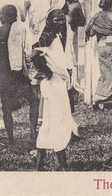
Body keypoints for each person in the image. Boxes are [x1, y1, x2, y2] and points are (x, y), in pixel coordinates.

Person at [0, 5, 39, 145]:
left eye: (1, 14)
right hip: (20, 70)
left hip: (4, 70)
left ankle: (11, 138)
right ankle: (32, 132)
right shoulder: (22, 30)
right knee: (33, 100)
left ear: (6, 16)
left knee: (5, 104)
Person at [29, 9, 75, 171]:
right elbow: (34, 54)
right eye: (57, 20)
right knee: (59, 122)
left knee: (49, 122)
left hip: (56, 82)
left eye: (62, 20)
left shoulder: (58, 34)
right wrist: (45, 70)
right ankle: (63, 166)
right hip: (52, 83)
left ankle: (40, 165)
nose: (61, 23)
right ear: (49, 21)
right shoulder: (47, 35)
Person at [86, 0, 112, 109]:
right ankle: (105, 99)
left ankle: (99, 96)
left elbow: (91, 33)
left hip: (101, 46)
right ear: (111, 4)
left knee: (104, 74)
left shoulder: (96, 17)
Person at [61, 0, 86, 113]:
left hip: (72, 35)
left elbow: (80, 21)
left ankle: (74, 90)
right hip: (67, 34)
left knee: (73, 61)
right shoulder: (69, 5)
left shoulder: (75, 6)